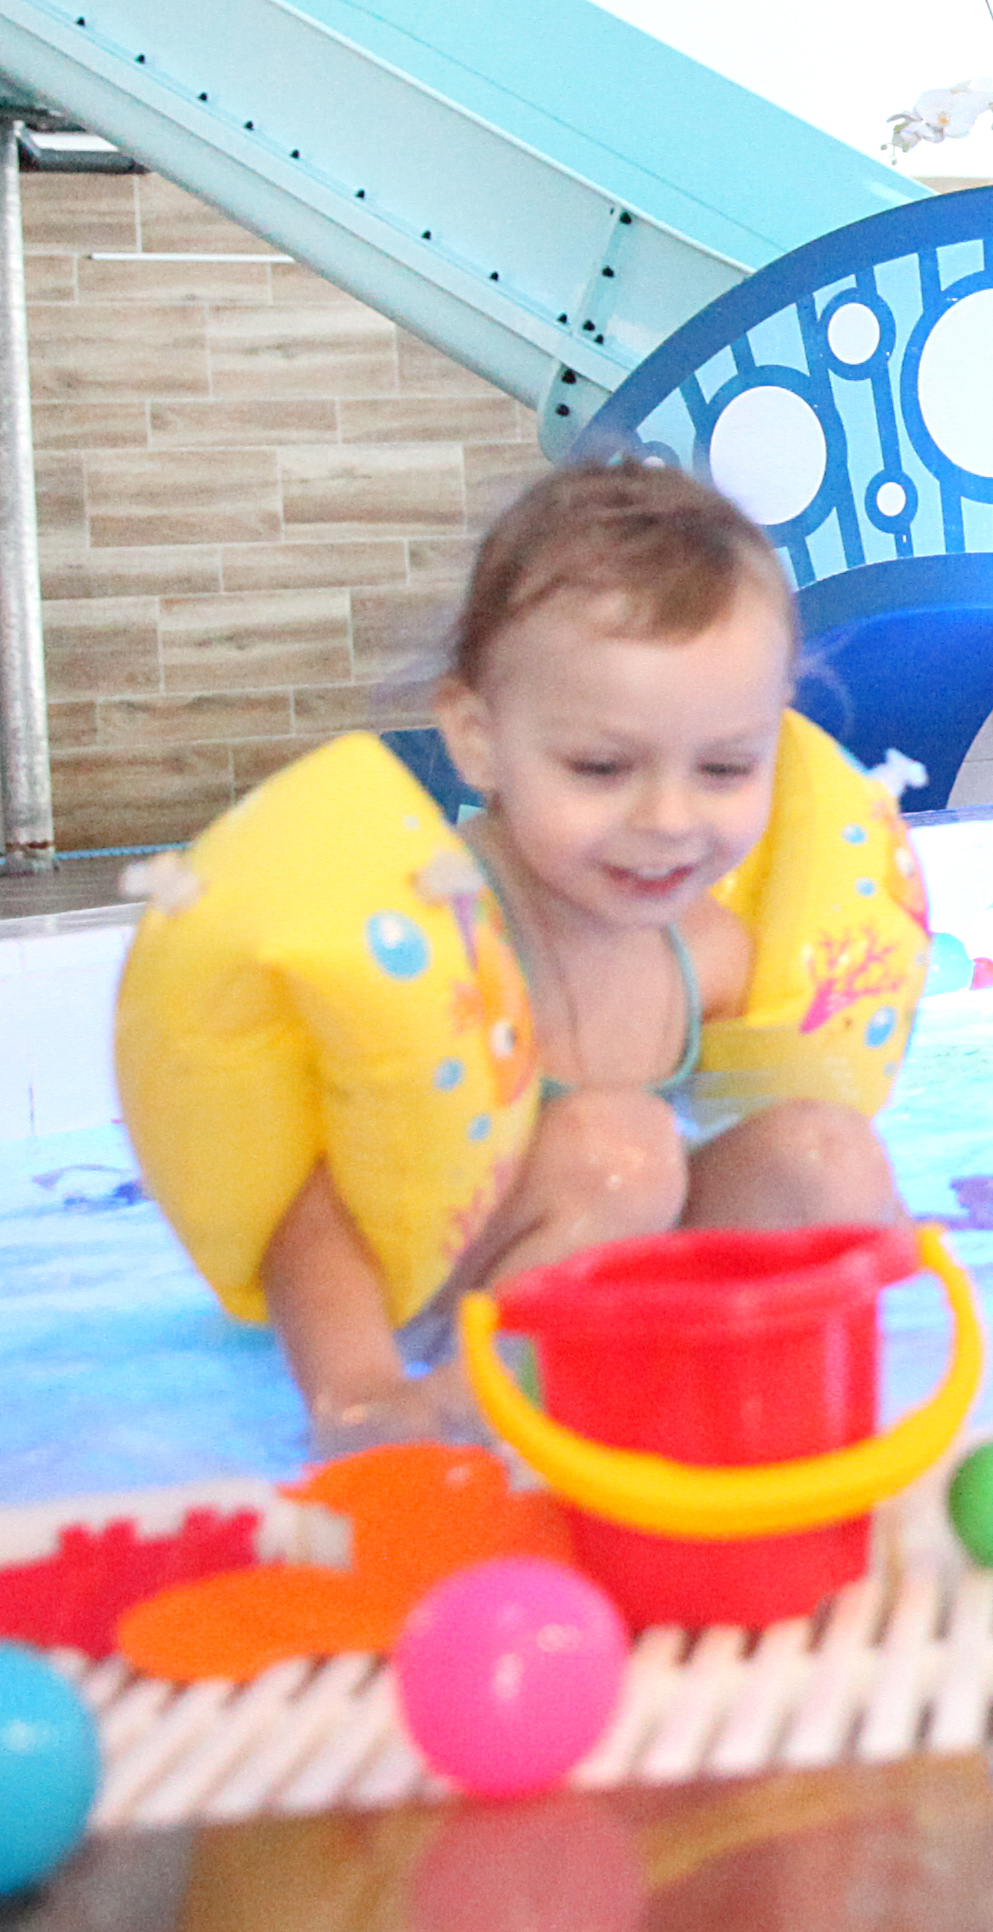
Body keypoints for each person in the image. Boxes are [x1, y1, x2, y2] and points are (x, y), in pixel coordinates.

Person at [125, 457, 926, 1448]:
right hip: (435, 1299)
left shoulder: (712, 952)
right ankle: (480, 1424)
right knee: (620, 1153)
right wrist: (361, 1388)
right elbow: (319, 1218)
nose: (670, 819)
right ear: (477, 738)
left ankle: (759, 1400)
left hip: (612, 1277)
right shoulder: (438, 939)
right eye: (601, 767)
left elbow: (760, 1143)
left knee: (827, 1152)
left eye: (725, 767)